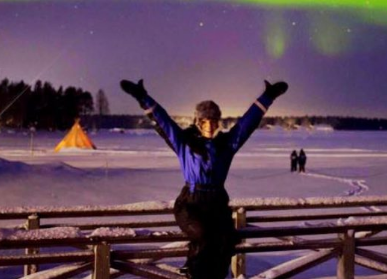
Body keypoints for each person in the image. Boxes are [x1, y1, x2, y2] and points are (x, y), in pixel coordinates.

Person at [120, 78, 288, 279]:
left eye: (213, 121)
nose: (209, 125)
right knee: (203, 236)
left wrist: (267, 97)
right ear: (198, 122)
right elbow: (163, 121)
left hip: (217, 204)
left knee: (225, 242)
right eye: (204, 121)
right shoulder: (185, 143)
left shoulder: (226, 145)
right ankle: (193, 273)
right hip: (191, 204)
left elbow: (246, 124)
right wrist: (142, 97)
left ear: (218, 123)